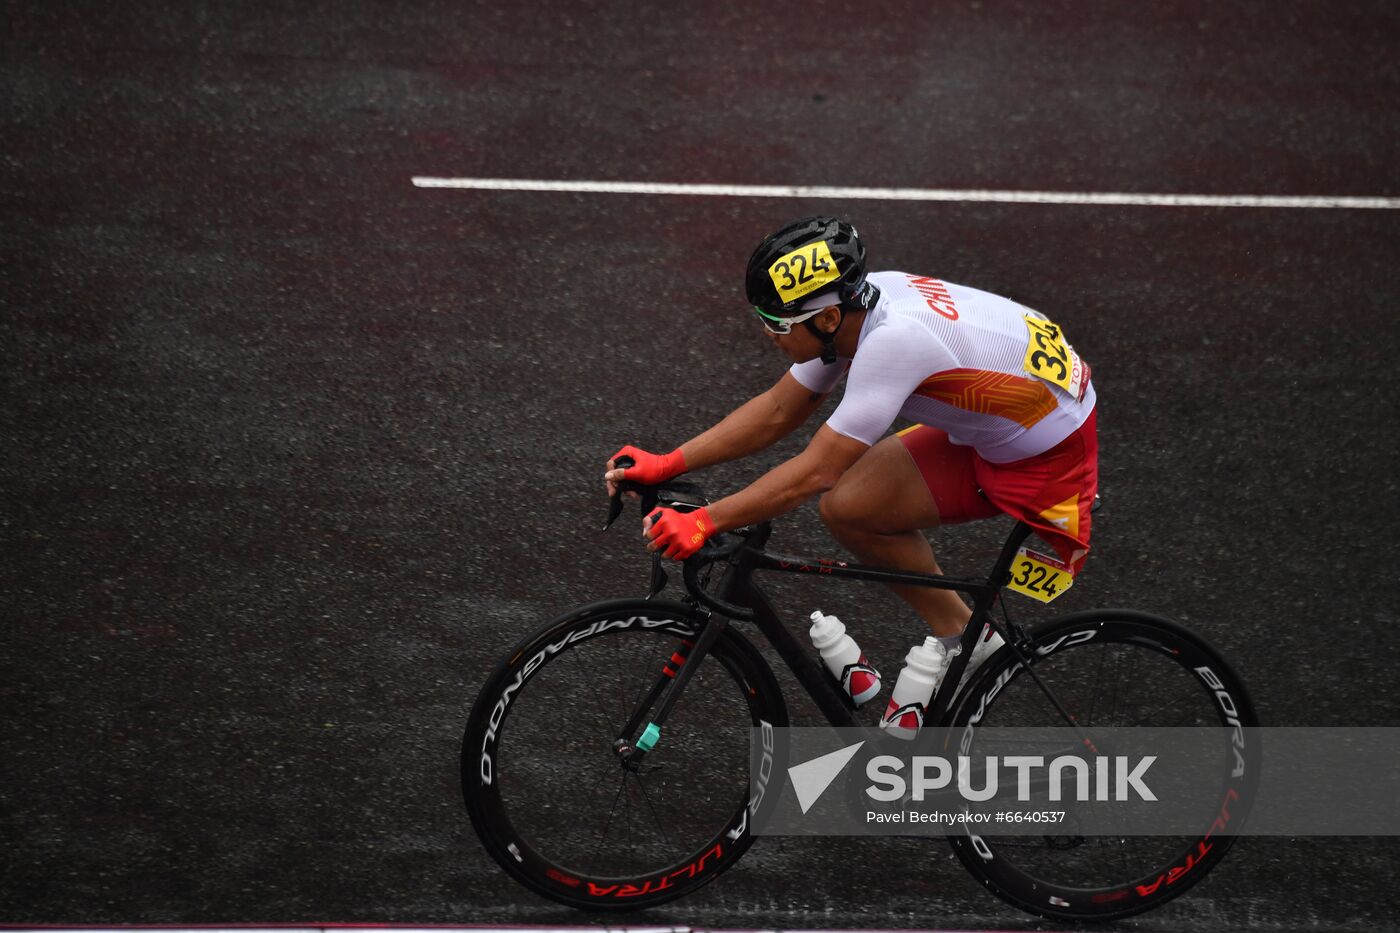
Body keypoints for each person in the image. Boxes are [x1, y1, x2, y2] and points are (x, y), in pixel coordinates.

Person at [604, 215, 1098, 694]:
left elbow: (817, 470)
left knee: (844, 502)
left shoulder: (894, 341)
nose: (767, 333)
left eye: (776, 322)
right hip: (1016, 416)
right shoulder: (858, 303)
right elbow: (780, 409)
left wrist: (705, 521)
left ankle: (966, 649)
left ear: (825, 318)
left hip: (1046, 454)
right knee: (849, 506)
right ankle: (971, 643)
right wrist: (668, 463)